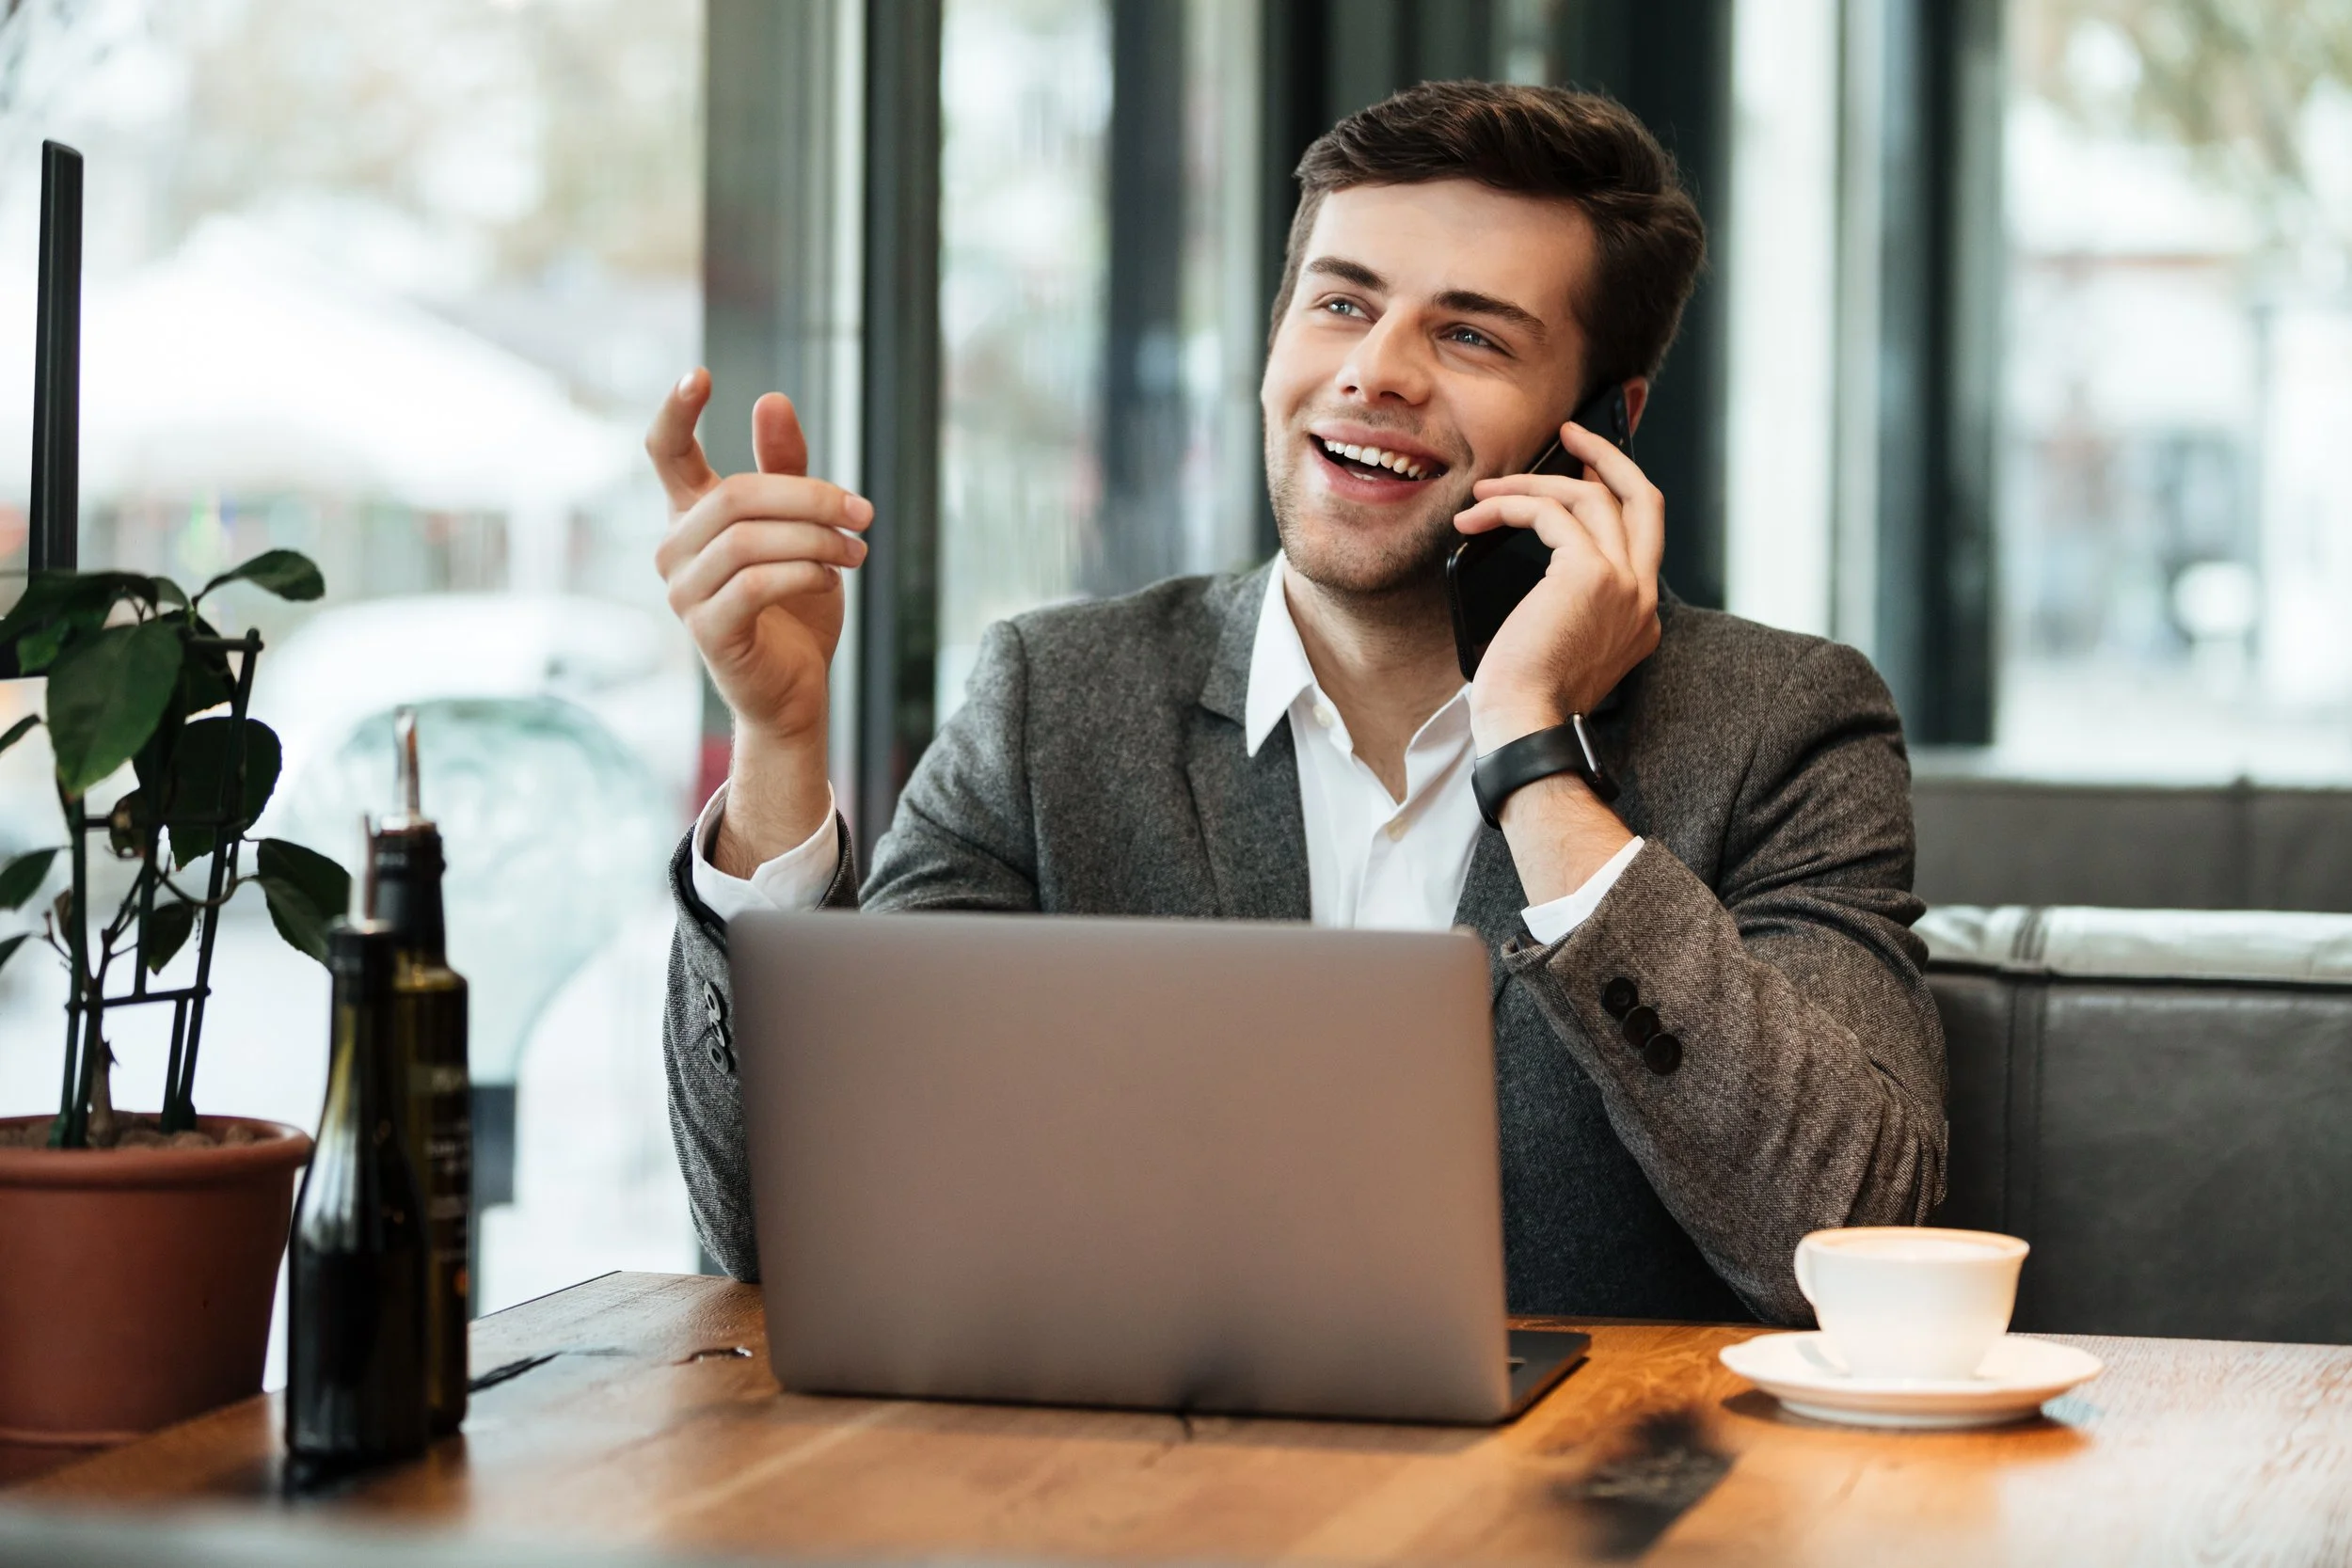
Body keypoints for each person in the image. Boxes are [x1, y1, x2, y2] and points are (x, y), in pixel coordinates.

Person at [649, 80, 1945, 1324]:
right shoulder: (1052, 705)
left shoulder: (1783, 725)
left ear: (1601, 421)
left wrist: (1539, 759)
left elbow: (1855, 1241)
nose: (1376, 372)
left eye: (1471, 333)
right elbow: (796, 1235)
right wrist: (777, 744)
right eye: (1341, 304)